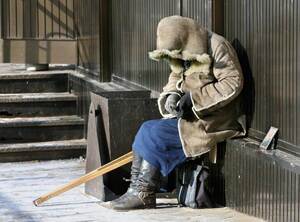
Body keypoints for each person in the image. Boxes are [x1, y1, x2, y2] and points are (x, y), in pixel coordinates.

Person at [109, 15, 246, 211]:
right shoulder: (185, 49)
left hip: (216, 118)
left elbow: (232, 83)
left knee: (155, 134)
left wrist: (195, 99)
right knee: (146, 128)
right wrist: (171, 96)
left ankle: (143, 192)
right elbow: (175, 77)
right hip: (191, 115)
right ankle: (138, 190)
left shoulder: (217, 46)